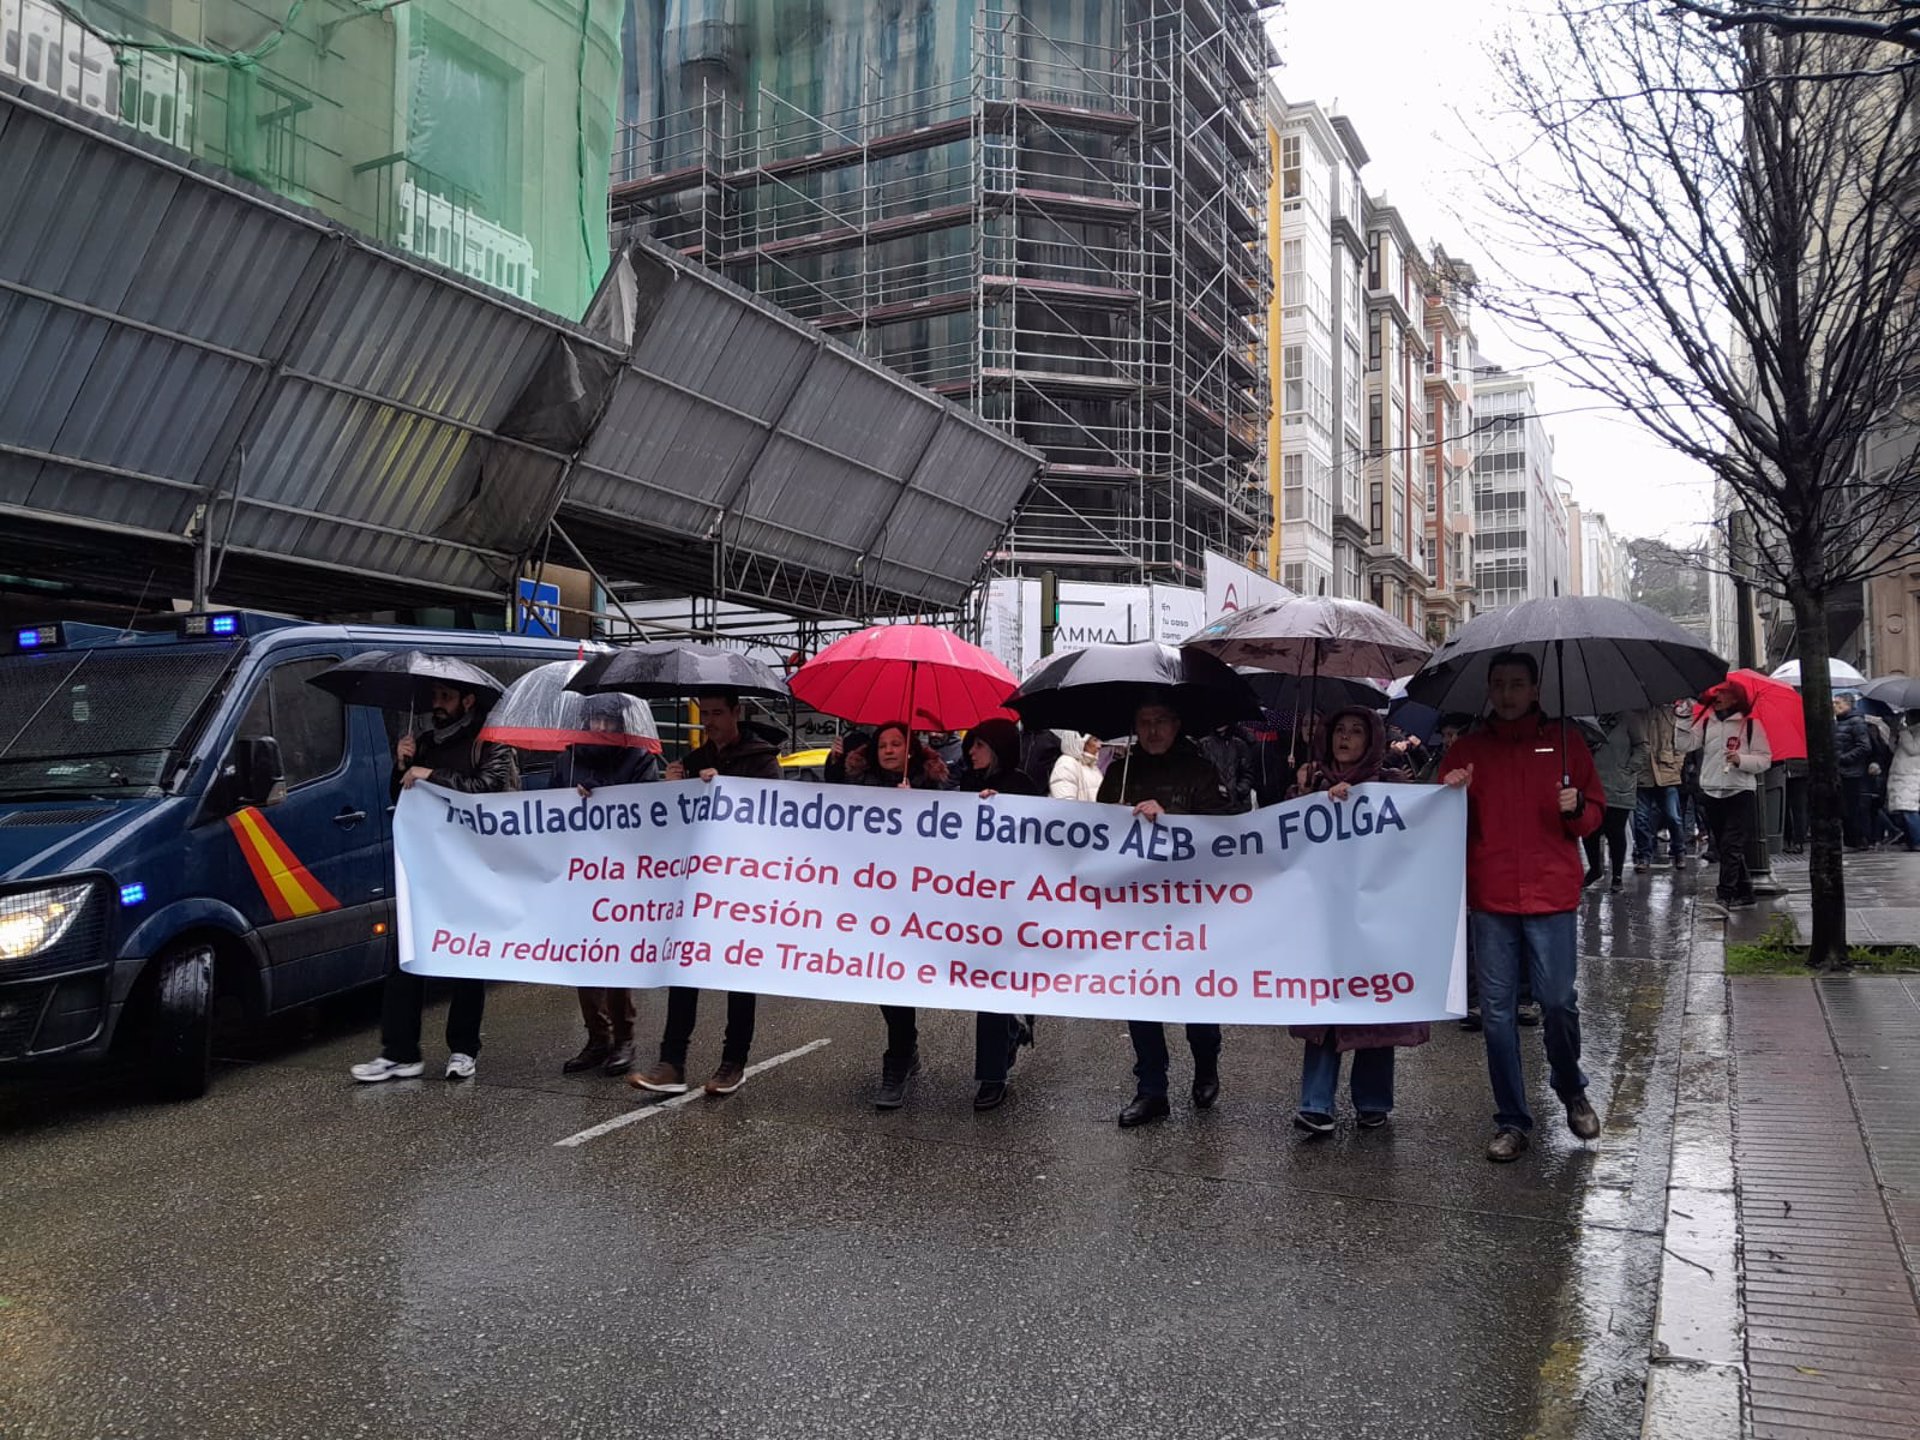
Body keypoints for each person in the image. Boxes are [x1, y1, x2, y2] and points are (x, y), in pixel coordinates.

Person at [1439, 651, 1605, 1164]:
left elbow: (1594, 813)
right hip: (1491, 898)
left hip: (1551, 893)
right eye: (1498, 684)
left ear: (1535, 689)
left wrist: (1577, 807)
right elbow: (1440, 826)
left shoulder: (1564, 743)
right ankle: (1512, 1119)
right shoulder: (1466, 750)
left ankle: (1569, 1083)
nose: (1507, 693)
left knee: (1557, 1001)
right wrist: (1450, 796)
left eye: (1516, 684)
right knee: (1495, 1016)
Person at [352, 680, 519, 1084]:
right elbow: (406, 797)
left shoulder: (490, 743)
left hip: (474, 869)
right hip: (428, 869)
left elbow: (491, 790)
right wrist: (402, 764)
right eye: (434, 698)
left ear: (467, 701)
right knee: (408, 956)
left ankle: (463, 1050)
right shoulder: (424, 741)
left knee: (466, 958)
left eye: (446, 697)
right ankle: (400, 1053)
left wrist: (434, 773)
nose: (437, 705)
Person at [629, 690, 780, 1099]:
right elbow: (672, 826)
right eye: (704, 714)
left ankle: (734, 1062)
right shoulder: (693, 763)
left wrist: (727, 789)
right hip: (697, 884)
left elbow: (774, 816)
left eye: (717, 713)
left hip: (743, 883)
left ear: (737, 713)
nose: (709, 721)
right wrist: (672, 790)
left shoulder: (763, 760)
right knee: (684, 967)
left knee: (738, 971)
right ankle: (671, 1062)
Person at [1287, 707, 1427, 1134]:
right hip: (1324, 920)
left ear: (1373, 740)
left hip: (1376, 917)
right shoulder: (1311, 785)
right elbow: (1284, 847)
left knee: (1375, 1007)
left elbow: (1418, 835)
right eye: (1340, 730)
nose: (1345, 739)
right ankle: (1316, 1103)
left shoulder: (1393, 786)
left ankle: (1373, 1100)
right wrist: (1305, 798)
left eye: (1356, 731)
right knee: (1324, 1011)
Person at [1099, 700, 1231, 1128]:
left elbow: (1223, 831)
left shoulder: (1201, 770)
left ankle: (1206, 1064)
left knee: (1198, 997)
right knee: (1140, 997)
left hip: (1191, 905)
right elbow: (1097, 827)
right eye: (1144, 722)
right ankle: (1151, 1088)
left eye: (1161, 722)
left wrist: (1170, 820)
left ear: (1177, 724)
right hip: (1136, 908)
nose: (1152, 730)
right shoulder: (1120, 772)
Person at [549, 694, 660, 1077]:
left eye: (606, 721)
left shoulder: (640, 760)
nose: (598, 728)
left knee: (615, 958)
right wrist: (568, 799)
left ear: (620, 723)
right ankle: (597, 1038)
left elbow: (650, 813)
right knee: (584, 958)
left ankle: (623, 1040)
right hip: (580, 873)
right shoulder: (568, 759)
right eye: (593, 720)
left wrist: (606, 799)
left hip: (621, 875)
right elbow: (548, 811)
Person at [851, 721, 951, 1108]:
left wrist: (916, 807)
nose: (889, 750)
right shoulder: (861, 788)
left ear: (911, 750)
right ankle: (903, 1052)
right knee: (885, 978)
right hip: (876, 899)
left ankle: (898, 1058)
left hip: (920, 900)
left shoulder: (932, 786)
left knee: (901, 977)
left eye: (897, 744)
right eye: (883, 745)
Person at [966, 718, 1040, 1111]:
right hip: (970, 905)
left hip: (1011, 905)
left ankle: (992, 1076)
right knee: (981, 987)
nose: (971, 752)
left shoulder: (1023, 788)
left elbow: (1042, 841)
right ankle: (1012, 1030)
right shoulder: (963, 786)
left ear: (997, 748)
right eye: (970, 745)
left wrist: (1006, 810)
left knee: (993, 987)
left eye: (979, 745)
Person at [1674, 680, 1773, 912]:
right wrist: (1683, 718)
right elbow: (1684, 745)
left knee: (1731, 845)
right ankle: (1746, 892)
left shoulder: (1750, 725)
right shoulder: (1707, 722)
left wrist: (1741, 760)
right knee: (1727, 846)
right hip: (1711, 791)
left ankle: (1725, 895)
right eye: (1716, 691)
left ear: (1735, 698)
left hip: (1740, 791)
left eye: (1723, 693)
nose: (1717, 696)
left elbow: (1764, 759)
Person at [1583, 714, 1645, 892]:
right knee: (1590, 831)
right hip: (1593, 784)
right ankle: (1595, 868)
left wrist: (1630, 768)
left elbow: (1642, 746)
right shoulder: (1588, 720)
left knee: (1615, 831)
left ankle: (1617, 875)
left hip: (1620, 785)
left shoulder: (1630, 719)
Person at [1632, 704, 1688, 871]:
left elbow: (1680, 745)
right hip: (1643, 773)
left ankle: (1679, 851)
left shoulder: (1670, 715)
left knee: (1673, 816)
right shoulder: (1637, 715)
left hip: (1666, 773)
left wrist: (1677, 766)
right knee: (1641, 818)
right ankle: (1644, 855)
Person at [1833, 692, 1875, 849]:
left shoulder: (1856, 722)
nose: (1835, 707)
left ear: (1848, 705)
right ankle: (1852, 840)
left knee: (1852, 808)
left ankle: (1858, 840)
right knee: (1845, 808)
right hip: (1842, 771)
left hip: (1851, 772)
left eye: (1839, 703)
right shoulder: (1839, 722)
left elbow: (1864, 746)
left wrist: (1843, 758)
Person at [1198, 721, 1256, 811]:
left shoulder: (1240, 745)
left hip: (1238, 806)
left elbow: (1248, 774)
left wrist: (1236, 791)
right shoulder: (1203, 746)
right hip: (1212, 806)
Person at [1886, 711, 1920, 851]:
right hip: (1901, 774)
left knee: (1909, 810)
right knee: (1901, 810)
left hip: (1911, 774)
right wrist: (1894, 734)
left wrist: (1904, 732)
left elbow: (1914, 749)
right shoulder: (1909, 732)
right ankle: (1911, 840)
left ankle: (1917, 840)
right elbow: (1895, 749)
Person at [1049, 730, 1105, 802]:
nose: (1099, 746)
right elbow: (1066, 804)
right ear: (1080, 742)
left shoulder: (1093, 767)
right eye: (1095, 740)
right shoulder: (1066, 764)